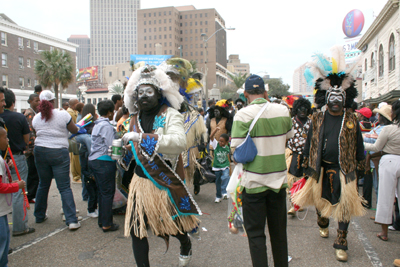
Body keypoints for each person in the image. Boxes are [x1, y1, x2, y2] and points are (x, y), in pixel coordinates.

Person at [121, 65, 201, 267]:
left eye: (149, 92)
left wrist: (142, 137)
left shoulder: (171, 115)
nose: (144, 96)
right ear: (135, 97)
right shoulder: (133, 119)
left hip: (163, 180)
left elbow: (178, 142)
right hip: (140, 182)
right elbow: (132, 148)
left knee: (167, 226)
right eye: (140, 93)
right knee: (136, 229)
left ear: (158, 94)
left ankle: (184, 242)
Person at [293, 49, 365, 262]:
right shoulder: (317, 118)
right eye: (331, 97)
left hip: (345, 169)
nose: (335, 101)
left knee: (344, 206)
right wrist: (305, 164)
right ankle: (322, 221)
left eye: (339, 97)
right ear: (326, 98)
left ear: (345, 98)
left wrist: (361, 165)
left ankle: (341, 242)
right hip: (321, 168)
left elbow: (359, 144)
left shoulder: (352, 119)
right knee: (321, 202)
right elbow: (309, 143)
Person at [231, 74, 293, 267]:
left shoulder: (242, 115)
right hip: (278, 182)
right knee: (279, 234)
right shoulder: (283, 111)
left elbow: (236, 150)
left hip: (253, 183)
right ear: (265, 92)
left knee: (256, 235)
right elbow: (287, 137)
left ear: (246, 93)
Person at [32, 90, 81, 230]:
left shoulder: (36, 118)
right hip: (59, 151)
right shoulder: (62, 115)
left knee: (43, 184)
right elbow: (74, 130)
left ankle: (39, 215)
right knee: (64, 187)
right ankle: (71, 220)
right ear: (53, 101)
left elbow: (37, 132)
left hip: (40, 150)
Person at [363, 100, 400, 242]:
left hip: (389, 161)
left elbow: (376, 147)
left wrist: (362, 143)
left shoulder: (388, 129)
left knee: (386, 197)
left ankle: (384, 232)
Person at [0, 89, 34, 237]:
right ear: (13, 102)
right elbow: (27, 138)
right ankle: (20, 226)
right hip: (16, 157)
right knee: (19, 190)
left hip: (7, 157)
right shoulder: (19, 117)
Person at [88, 100, 119, 232]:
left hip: (95, 161)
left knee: (102, 192)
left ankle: (103, 220)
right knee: (107, 193)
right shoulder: (106, 126)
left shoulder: (97, 124)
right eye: (112, 112)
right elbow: (111, 145)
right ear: (109, 112)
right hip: (104, 162)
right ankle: (107, 223)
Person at [0, 127, 26, 267]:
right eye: (5, 137)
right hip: (0, 210)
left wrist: (11, 182)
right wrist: (17, 186)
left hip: (3, 210)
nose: (8, 140)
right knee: (3, 242)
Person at [286, 97, 312, 216]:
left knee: (304, 180)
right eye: (300, 109)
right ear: (296, 109)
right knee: (292, 180)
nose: (303, 111)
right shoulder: (290, 122)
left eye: (305, 109)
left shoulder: (311, 123)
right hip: (293, 155)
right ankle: (293, 205)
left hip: (307, 156)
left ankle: (300, 203)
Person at [363, 104, 392, 209]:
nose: (377, 116)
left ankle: (382, 212)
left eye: (379, 115)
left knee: (380, 187)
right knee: (377, 186)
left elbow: (376, 144)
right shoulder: (379, 127)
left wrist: (363, 141)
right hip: (374, 160)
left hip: (379, 159)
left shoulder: (385, 129)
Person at [75, 104, 98, 218]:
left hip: (83, 150)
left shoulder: (81, 120)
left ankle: (86, 196)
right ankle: (90, 207)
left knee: (86, 175)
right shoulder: (89, 122)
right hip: (87, 151)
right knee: (88, 175)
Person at [24, 94, 40, 203]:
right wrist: (33, 147)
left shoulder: (34, 113)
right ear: (30, 101)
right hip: (31, 150)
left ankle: (32, 194)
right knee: (32, 173)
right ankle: (31, 195)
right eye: (36, 101)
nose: (38, 103)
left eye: (39, 100)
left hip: (32, 148)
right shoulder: (30, 114)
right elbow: (30, 132)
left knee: (34, 173)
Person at [209, 127, 230, 203]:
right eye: (220, 141)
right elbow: (211, 136)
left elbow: (228, 157)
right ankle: (218, 196)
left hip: (225, 166)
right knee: (217, 182)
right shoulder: (216, 145)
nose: (220, 143)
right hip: (217, 167)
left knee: (226, 177)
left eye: (222, 142)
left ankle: (224, 192)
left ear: (226, 142)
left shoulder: (227, 148)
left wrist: (230, 166)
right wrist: (215, 130)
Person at [67, 98, 81, 183]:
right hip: (73, 137)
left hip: (74, 137)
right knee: (74, 158)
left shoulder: (74, 112)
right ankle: (76, 176)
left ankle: (77, 176)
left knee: (75, 157)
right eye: (77, 103)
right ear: (74, 104)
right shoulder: (70, 113)